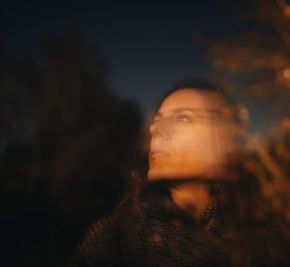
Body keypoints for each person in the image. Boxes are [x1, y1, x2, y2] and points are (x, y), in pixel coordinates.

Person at [68, 77, 273, 267]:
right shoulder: (113, 239)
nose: (155, 130)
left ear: (229, 141)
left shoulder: (270, 234)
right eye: (157, 120)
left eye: (183, 118)